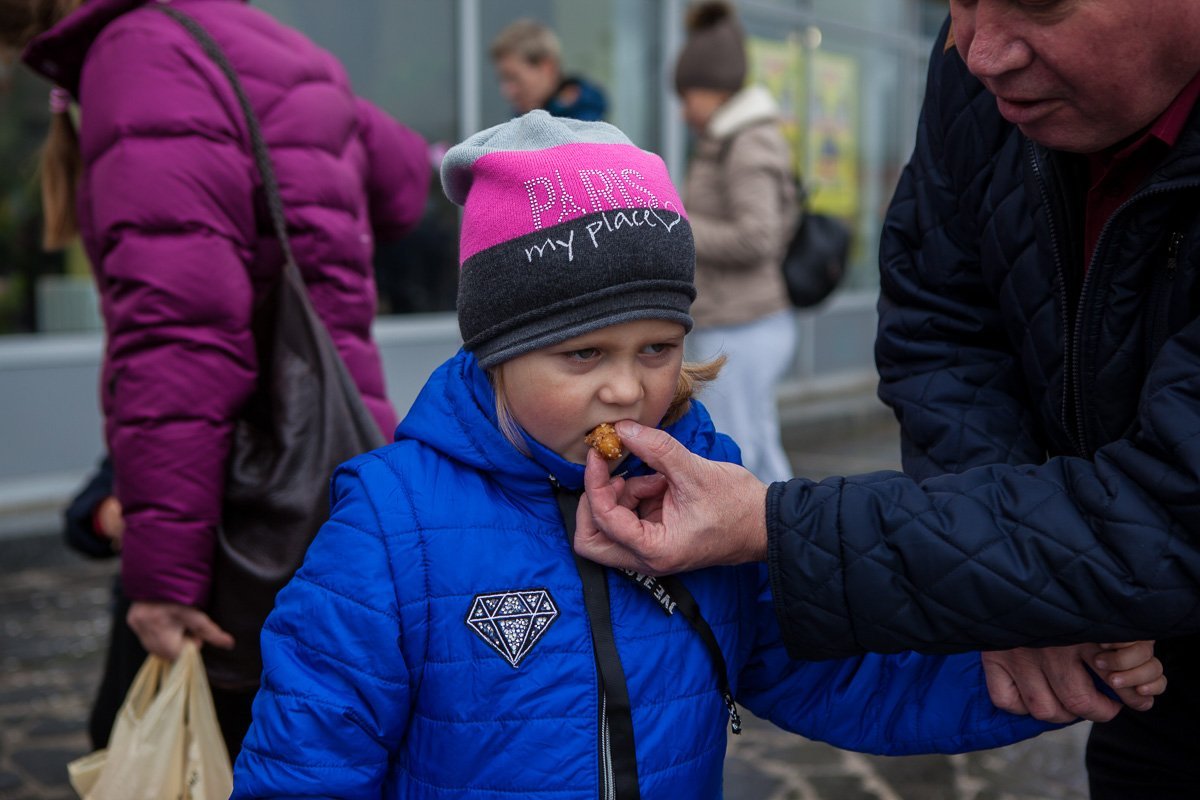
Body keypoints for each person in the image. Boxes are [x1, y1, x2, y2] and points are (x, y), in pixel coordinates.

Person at [224, 111, 1144, 798]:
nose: (627, 389)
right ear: (495, 349)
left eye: (657, 350)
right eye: (581, 355)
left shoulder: (700, 492)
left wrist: (1044, 670)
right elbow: (308, 755)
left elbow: (838, 667)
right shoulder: (391, 525)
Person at [571, 2, 1200, 797]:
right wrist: (1015, 597)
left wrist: (773, 526)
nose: (979, 52)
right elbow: (942, 320)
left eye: (1040, 2)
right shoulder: (390, 526)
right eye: (958, 0)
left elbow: (1177, 507)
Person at [7, 0, 430, 758]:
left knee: (159, 745)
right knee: (320, 743)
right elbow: (403, 184)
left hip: (240, 499)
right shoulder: (272, 43)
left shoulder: (138, 53)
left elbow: (181, 341)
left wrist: (163, 582)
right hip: (339, 461)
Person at [675, 1, 797, 483]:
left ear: (714, 90)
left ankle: (761, 550)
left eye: (688, 95)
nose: (683, 109)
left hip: (745, 322)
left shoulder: (746, 142)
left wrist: (678, 225)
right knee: (758, 445)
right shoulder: (728, 139)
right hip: (740, 319)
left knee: (739, 450)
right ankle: (791, 545)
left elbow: (758, 235)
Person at [490, 18, 607, 121]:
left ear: (547, 67)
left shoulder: (585, 123)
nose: (507, 91)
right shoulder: (521, 117)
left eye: (515, 78)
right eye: (503, 80)